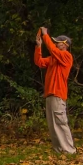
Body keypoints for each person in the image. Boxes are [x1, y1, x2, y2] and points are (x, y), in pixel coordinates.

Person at [34, 26, 75, 154]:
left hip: (58, 94)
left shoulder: (66, 56)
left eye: (58, 42)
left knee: (61, 122)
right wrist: (38, 46)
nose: (56, 44)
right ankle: (59, 150)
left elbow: (52, 50)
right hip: (50, 94)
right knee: (52, 124)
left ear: (65, 45)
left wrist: (45, 35)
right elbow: (39, 62)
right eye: (56, 42)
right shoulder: (54, 58)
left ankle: (69, 150)